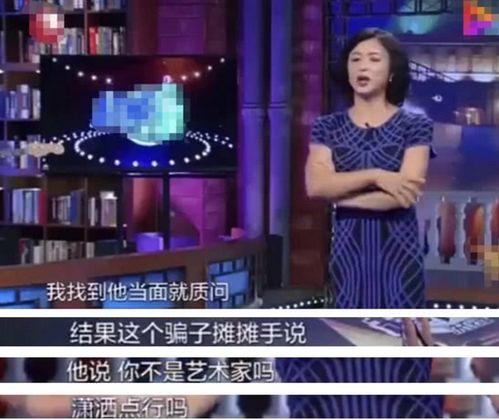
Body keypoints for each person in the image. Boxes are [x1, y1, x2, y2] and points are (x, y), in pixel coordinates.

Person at [275, 28, 443, 418]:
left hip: (399, 255)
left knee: (404, 349)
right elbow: (316, 186)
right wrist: (379, 176)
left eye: (373, 59)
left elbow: (404, 195)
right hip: (348, 256)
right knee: (351, 343)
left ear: (392, 72)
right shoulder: (327, 127)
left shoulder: (414, 126)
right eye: (355, 59)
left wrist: (342, 196)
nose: (362, 67)